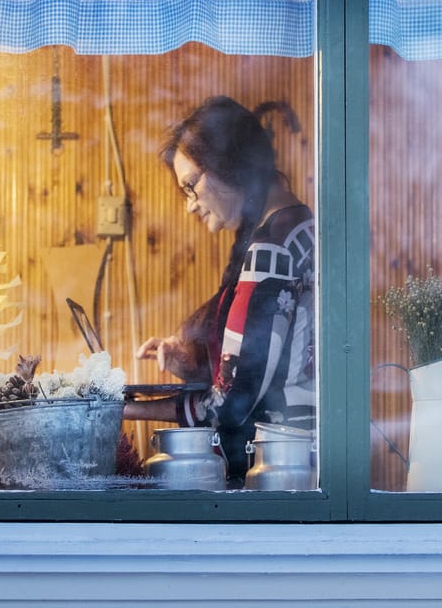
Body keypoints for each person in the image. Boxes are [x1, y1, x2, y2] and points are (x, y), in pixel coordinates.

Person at [125, 96, 316, 485]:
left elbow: (230, 404)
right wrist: (193, 359)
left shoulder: (271, 252)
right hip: (300, 463)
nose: (190, 205)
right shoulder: (300, 230)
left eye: (191, 185)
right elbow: (266, 366)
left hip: (274, 469)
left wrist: (126, 411)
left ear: (230, 164)